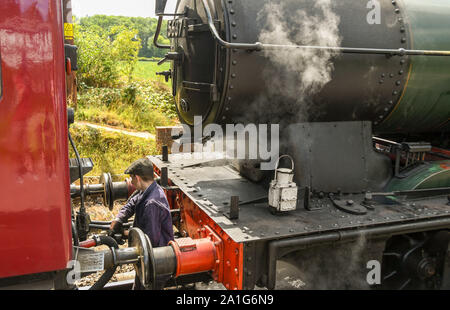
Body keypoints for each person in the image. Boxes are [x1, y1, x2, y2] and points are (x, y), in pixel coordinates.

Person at [109, 157, 174, 290]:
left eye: (132, 178)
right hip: (147, 260)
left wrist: (125, 233)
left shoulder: (152, 204)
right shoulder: (147, 189)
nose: (131, 182)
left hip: (156, 263)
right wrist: (119, 219)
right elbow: (132, 204)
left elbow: (150, 240)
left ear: (137, 178)